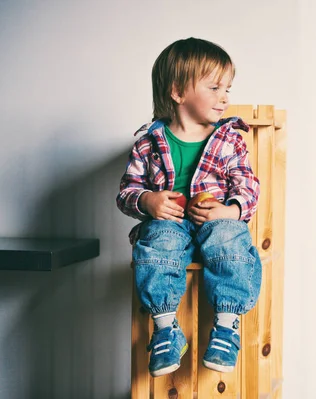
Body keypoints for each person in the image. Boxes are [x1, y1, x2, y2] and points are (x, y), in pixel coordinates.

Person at [116, 37, 261, 377]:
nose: (225, 96)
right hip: (172, 225)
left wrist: (229, 211)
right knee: (157, 238)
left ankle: (226, 326)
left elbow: (247, 185)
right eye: (214, 87)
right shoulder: (149, 143)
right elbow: (127, 191)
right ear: (178, 91)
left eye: (228, 88)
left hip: (215, 223)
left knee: (230, 235)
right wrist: (149, 201)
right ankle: (166, 327)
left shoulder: (230, 139)